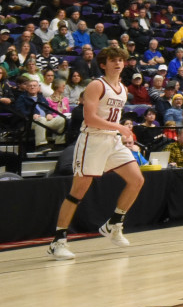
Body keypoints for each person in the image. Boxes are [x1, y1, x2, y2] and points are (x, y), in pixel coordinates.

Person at [48, 46, 145, 260]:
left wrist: (120, 131)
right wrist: (120, 127)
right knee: (77, 193)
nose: (118, 63)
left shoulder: (123, 88)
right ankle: (58, 241)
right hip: (92, 139)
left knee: (137, 180)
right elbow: (90, 118)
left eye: (121, 59)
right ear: (103, 64)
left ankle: (114, 224)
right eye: (113, 60)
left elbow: (113, 118)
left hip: (112, 140)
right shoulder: (96, 85)